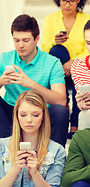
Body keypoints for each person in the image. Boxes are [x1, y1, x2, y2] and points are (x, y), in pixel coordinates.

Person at [0, 14, 69, 147]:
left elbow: (61, 100)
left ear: (37, 38)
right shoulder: (4, 58)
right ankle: (5, 151)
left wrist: (29, 84)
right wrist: (2, 81)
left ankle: (54, 158)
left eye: (25, 40)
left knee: (60, 111)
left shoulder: (52, 62)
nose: (20, 45)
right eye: (16, 40)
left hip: (41, 113)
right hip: (13, 113)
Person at [42, 0, 90, 137]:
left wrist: (73, 62)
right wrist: (53, 41)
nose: (67, 4)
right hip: (59, 72)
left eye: (72, 0)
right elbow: (44, 49)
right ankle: (63, 104)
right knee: (57, 50)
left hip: (79, 70)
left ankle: (75, 121)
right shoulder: (50, 19)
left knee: (82, 68)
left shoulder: (88, 20)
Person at [0, 90, 66, 187]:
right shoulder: (2, 146)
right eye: (23, 115)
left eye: (35, 115)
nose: (29, 120)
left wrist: (35, 173)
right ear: (17, 116)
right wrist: (15, 169)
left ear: (43, 117)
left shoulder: (57, 150)